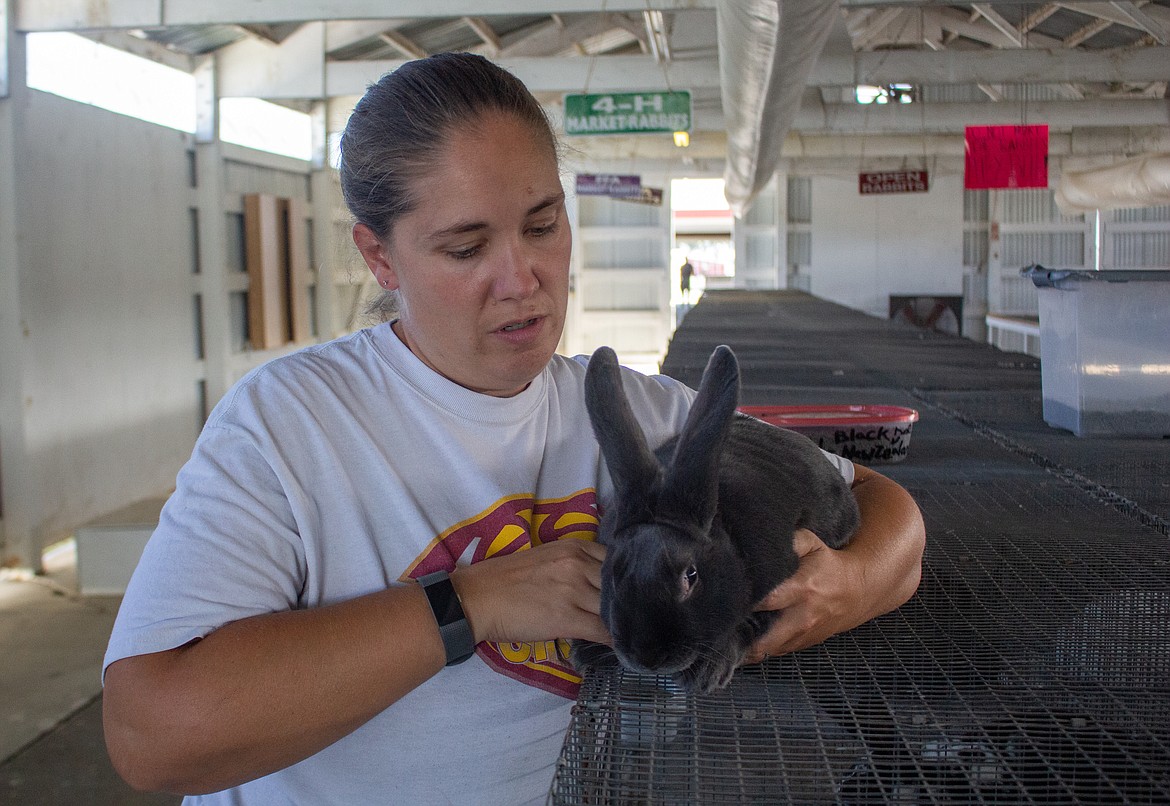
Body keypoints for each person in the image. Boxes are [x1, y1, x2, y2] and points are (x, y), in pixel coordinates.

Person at [102, 52, 925, 805]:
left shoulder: (643, 414)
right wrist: (471, 604)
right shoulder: (290, 426)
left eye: (542, 226)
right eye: (465, 247)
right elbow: (152, 737)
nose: (523, 279)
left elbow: (888, 510)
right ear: (381, 259)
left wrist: (849, 586)